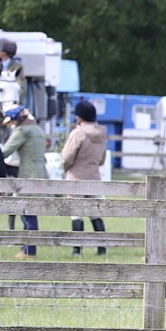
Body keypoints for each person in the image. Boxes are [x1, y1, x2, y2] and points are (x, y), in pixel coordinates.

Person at [61, 100, 109, 256]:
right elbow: (102, 160)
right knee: (95, 213)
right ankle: (102, 247)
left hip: (76, 176)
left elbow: (67, 157)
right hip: (94, 176)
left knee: (76, 213)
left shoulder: (78, 132)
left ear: (80, 117)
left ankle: (77, 248)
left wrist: (66, 168)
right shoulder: (102, 133)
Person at [0, 107, 47, 259]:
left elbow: (5, 152)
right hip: (41, 174)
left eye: (13, 122)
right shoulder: (38, 129)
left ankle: (29, 250)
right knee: (30, 213)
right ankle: (27, 247)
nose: (12, 125)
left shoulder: (22, 131)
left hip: (27, 175)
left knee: (27, 214)